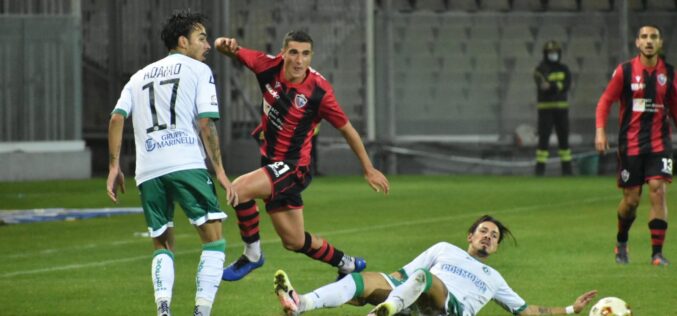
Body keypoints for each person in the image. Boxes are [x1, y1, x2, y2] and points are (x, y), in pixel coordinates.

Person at [213, 30, 390, 281]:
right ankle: (347, 263)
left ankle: (252, 255)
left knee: (238, 190)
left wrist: (368, 168)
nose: (299, 60)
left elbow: (348, 130)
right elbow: (227, 47)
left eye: (305, 54)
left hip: (295, 167)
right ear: (283, 53)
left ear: (311, 56)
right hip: (272, 164)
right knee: (294, 241)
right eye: (294, 52)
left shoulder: (319, 92)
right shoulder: (267, 66)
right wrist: (223, 44)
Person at [106, 11, 237, 316]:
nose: (207, 45)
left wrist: (114, 166)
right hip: (186, 163)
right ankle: (201, 312)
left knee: (163, 244)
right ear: (183, 41)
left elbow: (116, 118)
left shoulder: (138, 77)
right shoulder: (198, 70)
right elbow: (206, 123)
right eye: (201, 38)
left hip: (148, 171)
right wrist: (219, 171)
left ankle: (163, 309)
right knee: (214, 240)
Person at [274, 215, 598, 316]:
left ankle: (381, 312)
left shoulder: (494, 278)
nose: (487, 236)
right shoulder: (444, 249)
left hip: (450, 310)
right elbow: (403, 274)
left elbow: (527, 312)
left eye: (494, 236)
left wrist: (571, 309)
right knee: (361, 283)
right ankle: (301, 303)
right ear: (469, 236)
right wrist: (374, 286)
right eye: (483, 231)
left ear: (496, 248)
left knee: (424, 279)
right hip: (414, 295)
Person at [595, 24, 677, 266]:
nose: (649, 41)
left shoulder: (669, 74)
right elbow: (605, 101)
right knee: (631, 200)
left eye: (653, 37)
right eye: (644, 37)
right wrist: (600, 130)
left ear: (660, 43)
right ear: (637, 43)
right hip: (630, 145)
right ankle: (621, 241)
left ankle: (657, 254)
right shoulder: (625, 71)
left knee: (658, 190)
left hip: (659, 143)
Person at [533, 40, 573, 176]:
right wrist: (556, 86)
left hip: (562, 109)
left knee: (564, 139)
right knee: (543, 139)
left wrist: (553, 86)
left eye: (555, 52)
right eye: (550, 52)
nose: (553, 55)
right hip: (545, 110)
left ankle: (567, 170)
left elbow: (566, 84)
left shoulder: (564, 69)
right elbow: (542, 86)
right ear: (545, 54)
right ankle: (540, 170)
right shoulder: (540, 69)